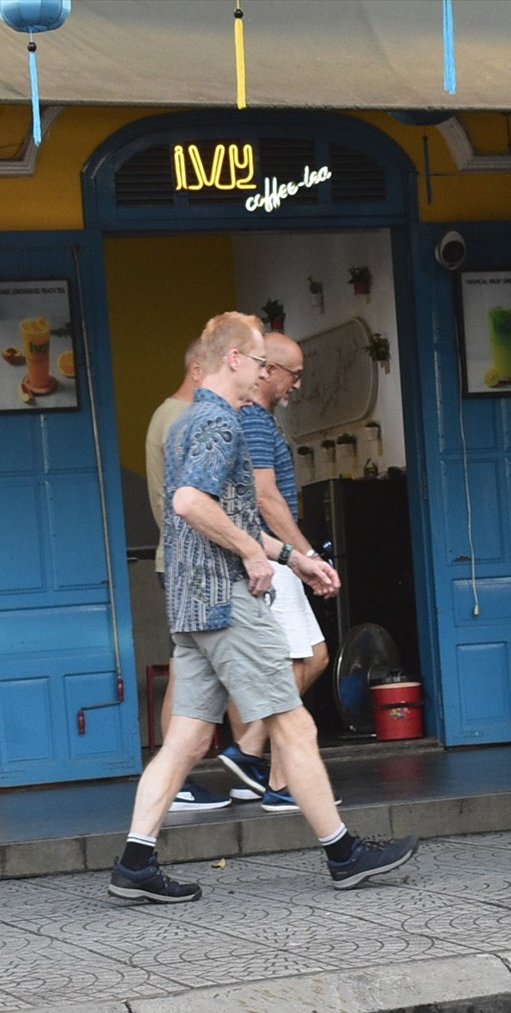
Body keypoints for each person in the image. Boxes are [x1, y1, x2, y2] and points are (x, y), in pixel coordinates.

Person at [109, 311, 418, 903]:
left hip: (192, 604)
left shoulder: (186, 422)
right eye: (258, 362)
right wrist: (253, 553)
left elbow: (227, 512)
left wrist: (291, 557)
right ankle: (344, 853)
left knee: (186, 742)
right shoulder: (223, 424)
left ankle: (135, 862)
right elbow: (190, 501)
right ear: (233, 360)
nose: (263, 373)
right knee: (294, 723)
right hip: (227, 602)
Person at [216, 330, 333, 813]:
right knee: (295, 664)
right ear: (268, 369)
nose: (297, 386)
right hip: (273, 557)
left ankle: (250, 767)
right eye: (295, 374)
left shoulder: (248, 420)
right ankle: (263, 767)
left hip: (269, 557)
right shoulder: (257, 422)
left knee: (317, 657)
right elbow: (266, 498)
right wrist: (306, 557)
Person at [144, 340, 226, 813]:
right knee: (191, 667)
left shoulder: (168, 414)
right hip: (188, 560)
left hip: (179, 559)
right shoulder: (181, 417)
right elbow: (187, 502)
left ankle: (244, 764)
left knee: (200, 665)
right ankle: (176, 775)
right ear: (198, 368)